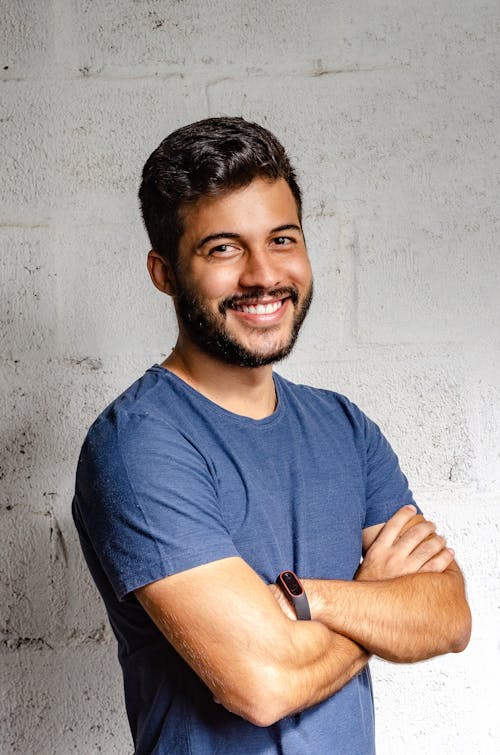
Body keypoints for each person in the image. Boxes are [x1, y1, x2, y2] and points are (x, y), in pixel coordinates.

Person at [72, 117, 471, 755]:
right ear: (164, 272)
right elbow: (262, 684)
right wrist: (374, 599)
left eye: (282, 239)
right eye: (224, 248)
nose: (264, 275)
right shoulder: (138, 444)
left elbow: (449, 616)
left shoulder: (345, 428)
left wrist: (304, 601)